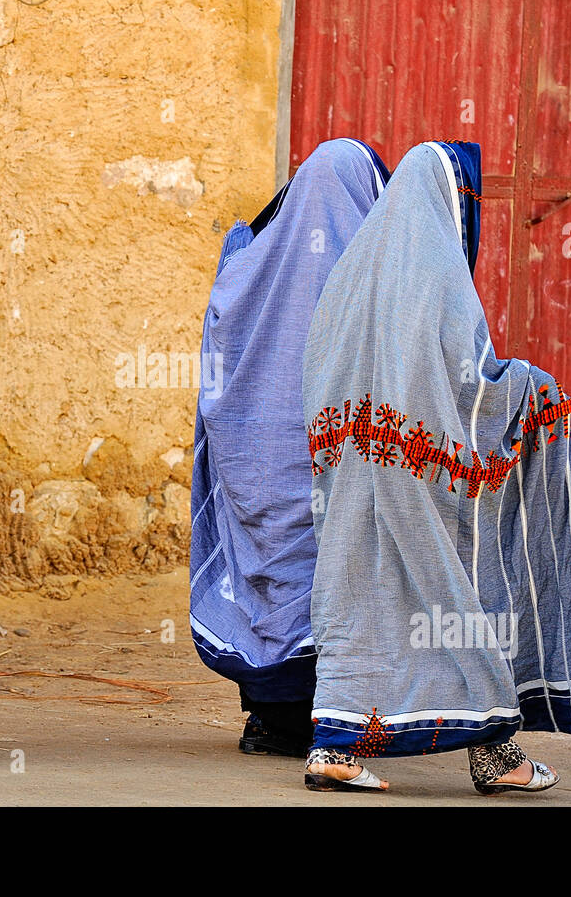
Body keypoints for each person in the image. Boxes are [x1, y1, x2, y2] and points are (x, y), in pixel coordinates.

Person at [301, 140, 571, 793]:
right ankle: (494, 754)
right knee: (465, 593)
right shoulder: (432, 284)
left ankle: (333, 746)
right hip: (420, 480)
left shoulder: (346, 282)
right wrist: (531, 388)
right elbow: (468, 392)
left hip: (349, 482)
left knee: (358, 602)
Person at [190, 138, 388, 756]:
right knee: (326, 578)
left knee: (268, 576)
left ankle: (269, 718)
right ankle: (320, 715)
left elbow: (222, 338)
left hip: (255, 465)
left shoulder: (255, 257)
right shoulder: (367, 266)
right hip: (322, 465)